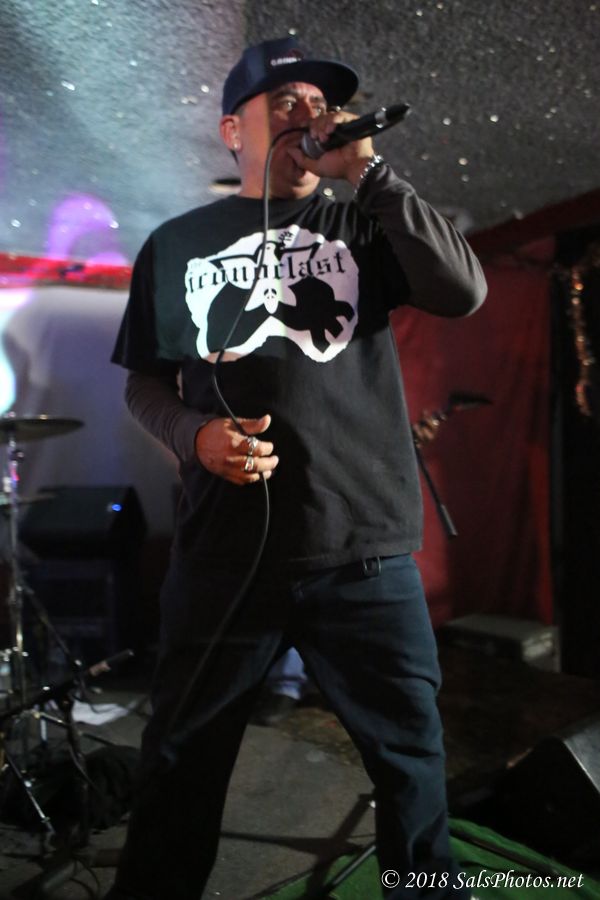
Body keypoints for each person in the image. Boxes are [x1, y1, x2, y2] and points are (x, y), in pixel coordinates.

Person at [105, 36, 486, 900]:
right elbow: (144, 386)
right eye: (285, 101)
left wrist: (373, 176)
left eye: (321, 101)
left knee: (412, 767)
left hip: (365, 550)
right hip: (225, 558)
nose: (309, 113)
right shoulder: (175, 244)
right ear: (231, 129)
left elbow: (463, 292)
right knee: (179, 768)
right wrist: (195, 437)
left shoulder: (365, 224)